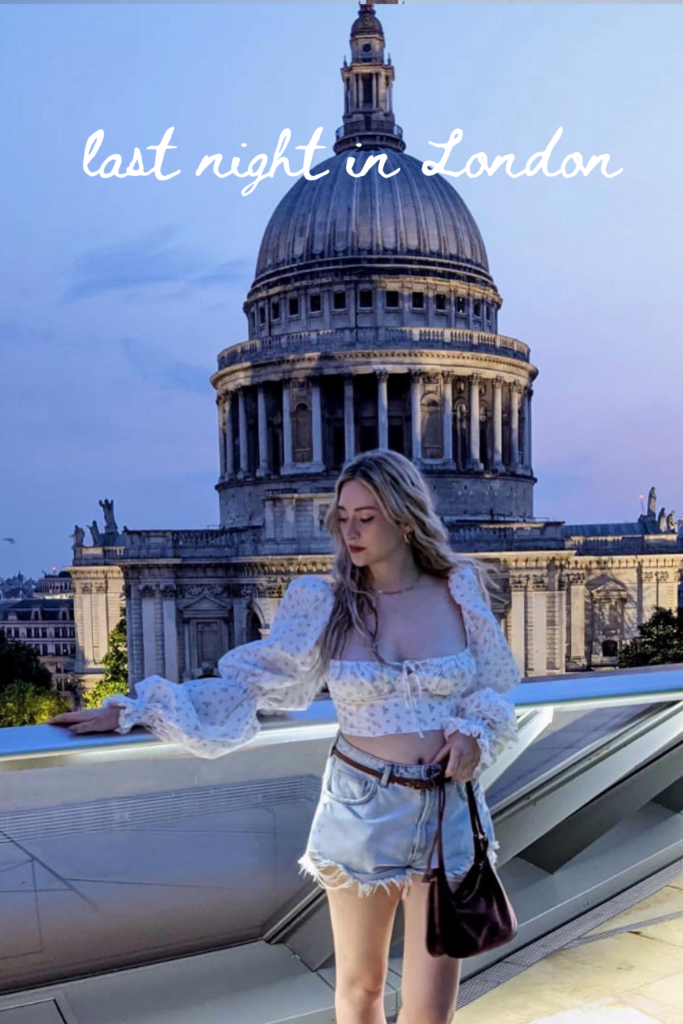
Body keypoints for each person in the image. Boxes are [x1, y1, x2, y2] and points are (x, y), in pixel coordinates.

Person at [47, 449, 521, 1024]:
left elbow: (494, 686)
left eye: (365, 516)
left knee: (431, 1012)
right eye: (341, 516)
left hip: (448, 808)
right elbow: (249, 683)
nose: (349, 530)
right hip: (364, 806)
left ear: (404, 517)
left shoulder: (458, 590)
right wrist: (133, 709)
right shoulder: (324, 604)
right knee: (361, 990)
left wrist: (473, 733)